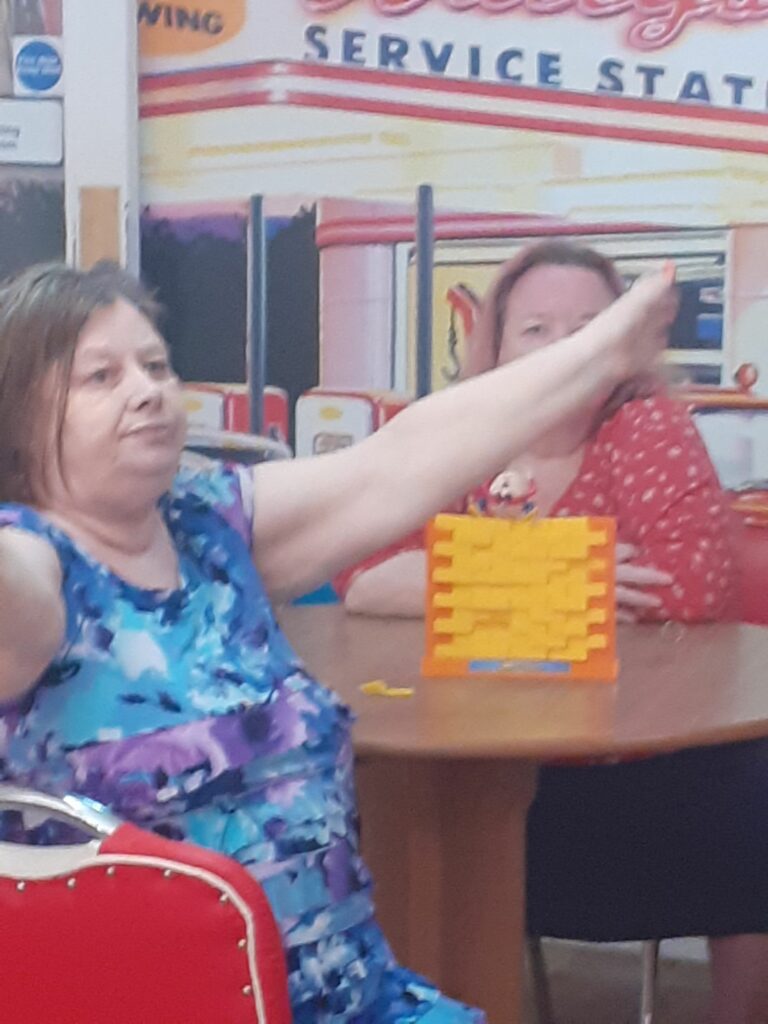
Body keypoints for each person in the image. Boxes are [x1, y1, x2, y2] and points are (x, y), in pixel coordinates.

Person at [0, 260, 673, 1024]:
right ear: (20, 415)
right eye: (101, 377)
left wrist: (605, 349)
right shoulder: (32, 565)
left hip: (357, 998)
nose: (148, 390)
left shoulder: (210, 525)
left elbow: (402, 459)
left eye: (155, 365)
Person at [335, 241, 768, 1024]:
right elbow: (363, 577)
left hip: (627, 769)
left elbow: (689, 588)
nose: (564, 347)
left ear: (623, 342)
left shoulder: (646, 425)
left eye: (589, 326)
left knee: (754, 789)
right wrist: (564, 579)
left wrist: (459, 579)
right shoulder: (454, 432)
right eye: (536, 328)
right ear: (497, 343)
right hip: (455, 765)